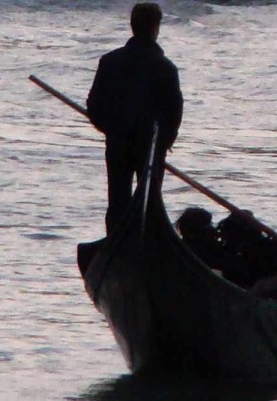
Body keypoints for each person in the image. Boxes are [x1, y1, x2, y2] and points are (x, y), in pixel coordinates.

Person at [87, 3, 183, 234]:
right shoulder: (165, 68)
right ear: (156, 28)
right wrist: (164, 142)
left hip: (119, 143)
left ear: (133, 26)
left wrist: (111, 129)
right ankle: (146, 249)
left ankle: (115, 243)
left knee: (118, 203)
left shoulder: (110, 61)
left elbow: (94, 105)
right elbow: (174, 112)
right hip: (150, 146)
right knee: (150, 205)